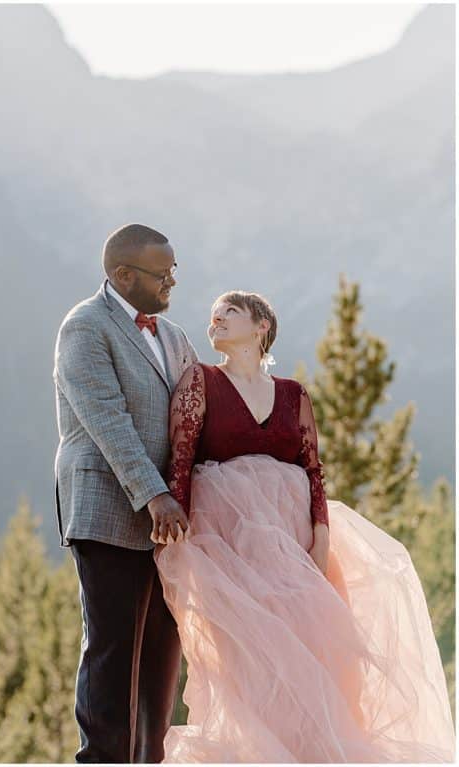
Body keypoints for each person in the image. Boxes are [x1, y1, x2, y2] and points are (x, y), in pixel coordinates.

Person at [157, 291, 454, 762]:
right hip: (228, 543)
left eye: (230, 311)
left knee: (311, 651)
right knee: (251, 656)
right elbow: (182, 457)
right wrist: (180, 537)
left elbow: (314, 470)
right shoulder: (201, 381)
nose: (217, 317)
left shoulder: (293, 394)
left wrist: (321, 536)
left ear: (261, 328)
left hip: (293, 544)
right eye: (214, 312)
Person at [53, 224, 199, 763]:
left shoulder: (175, 336)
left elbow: (193, 417)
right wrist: (155, 495)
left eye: (174, 272)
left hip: (170, 521)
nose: (172, 283)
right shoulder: (85, 327)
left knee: (162, 656)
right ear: (122, 275)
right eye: (163, 275)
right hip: (107, 508)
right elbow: (106, 420)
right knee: (113, 649)